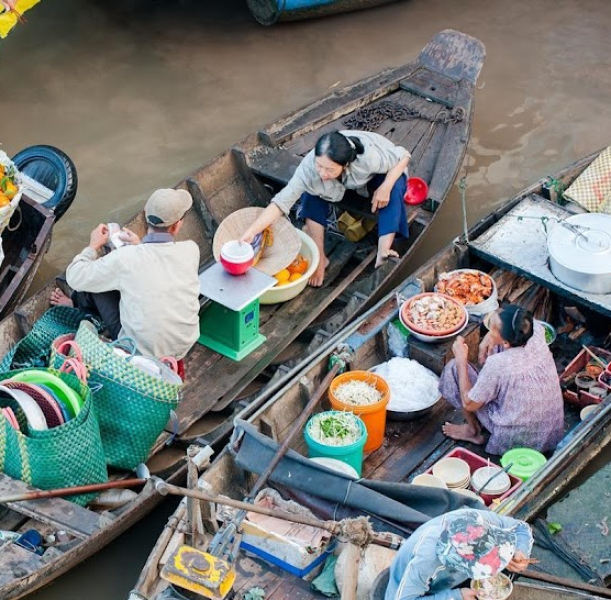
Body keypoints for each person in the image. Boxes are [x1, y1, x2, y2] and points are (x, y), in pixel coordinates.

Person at [241, 131, 411, 287]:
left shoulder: (369, 158)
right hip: (339, 186)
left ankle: (383, 249)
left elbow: (403, 156)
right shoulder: (309, 168)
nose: (322, 173)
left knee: (395, 188)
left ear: (345, 165)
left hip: (379, 174)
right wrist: (252, 231)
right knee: (310, 194)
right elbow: (280, 202)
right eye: (319, 165)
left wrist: (385, 187)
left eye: (329, 169)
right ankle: (320, 257)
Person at [50, 188, 201, 362]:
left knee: (95, 281)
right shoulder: (191, 249)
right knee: (126, 279)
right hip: (183, 346)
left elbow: (75, 277)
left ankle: (76, 305)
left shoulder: (126, 258)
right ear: (176, 226)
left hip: (141, 352)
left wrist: (93, 246)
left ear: (145, 215)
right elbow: (158, 261)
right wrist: (139, 245)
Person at [439, 305, 564, 455]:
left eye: (492, 330)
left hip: (515, 438)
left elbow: (469, 403)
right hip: (547, 431)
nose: (489, 332)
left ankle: (472, 430)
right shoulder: (536, 329)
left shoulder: (498, 365)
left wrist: (461, 359)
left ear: (506, 342)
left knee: (454, 368)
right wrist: (487, 340)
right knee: (495, 350)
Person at [385, 508, 533, 600]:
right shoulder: (427, 561)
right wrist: (456, 596)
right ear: (459, 561)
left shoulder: (476, 519)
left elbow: (521, 528)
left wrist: (521, 550)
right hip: (413, 591)